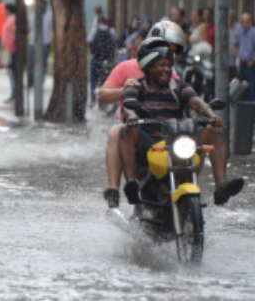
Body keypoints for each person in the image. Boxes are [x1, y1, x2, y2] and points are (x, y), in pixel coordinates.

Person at [119, 37, 244, 206]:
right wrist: (132, 116)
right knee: (126, 130)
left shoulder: (178, 86)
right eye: (161, 65)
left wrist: (211, 115)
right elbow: (128, 106)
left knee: (215, 131)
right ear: (149, 67)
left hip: (178, 140)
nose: (166, 69)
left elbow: (196, 102)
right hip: (151, 143)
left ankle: (221, 186)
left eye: (169, 65)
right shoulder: (136, 86)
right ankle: (131, 183)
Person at [99, 20, 187, 208]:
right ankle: (115, 189)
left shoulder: (173, 76)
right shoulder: (127, 67)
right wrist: (124, 90)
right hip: (136, 133)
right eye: (165, 48)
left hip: (164, 135)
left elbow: (185, 102)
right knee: (116, 131)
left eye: (173, 50)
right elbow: (102, 95)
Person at [88, 16, 116, 104]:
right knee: (103, 80)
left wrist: (93, 51)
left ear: (99, 22)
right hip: (106, 60)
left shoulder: (94, 30)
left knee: (93, 79)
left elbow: (90, 41)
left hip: (95, 58)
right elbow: (114, 44)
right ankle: (101, 101)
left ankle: (93, 98)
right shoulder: (111, 31)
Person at [28, 0, 53, 88]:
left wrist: (52, 39)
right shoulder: (33, 15)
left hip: (45, 42)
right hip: (33, 42)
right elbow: (29, 28)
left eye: (44, 4)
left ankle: (40, 82)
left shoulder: (50, 15)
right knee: (31, 63)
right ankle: (31, 81)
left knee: (44, 63)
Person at [233, 12, 255, 102]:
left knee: (252, 88)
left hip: (250, 64)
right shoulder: (241, 32)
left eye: (247, 21)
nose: (245, 23)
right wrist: (238, 56)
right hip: (242, 63)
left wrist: (253, 61)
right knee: (243, 88)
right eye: (243, 21)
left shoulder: (253, 32)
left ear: (251, 21)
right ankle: (245, 110)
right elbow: (235, 45)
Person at [0, 4, 16, 103]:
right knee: (10, 73)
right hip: (8, 48)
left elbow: (14, 32)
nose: (4, 11)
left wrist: (10, 43)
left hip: (12, 49)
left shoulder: (13, 19)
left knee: (13, 73)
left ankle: (14, 95)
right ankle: (13, 95)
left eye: (5, 9)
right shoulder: (9, 19)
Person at [229, 10, 242, 81]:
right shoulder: (222, 27)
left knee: (234, 79)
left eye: (230, 17)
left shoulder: (239, 28)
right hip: (225, 60)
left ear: (234, 18)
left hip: (235, 60)